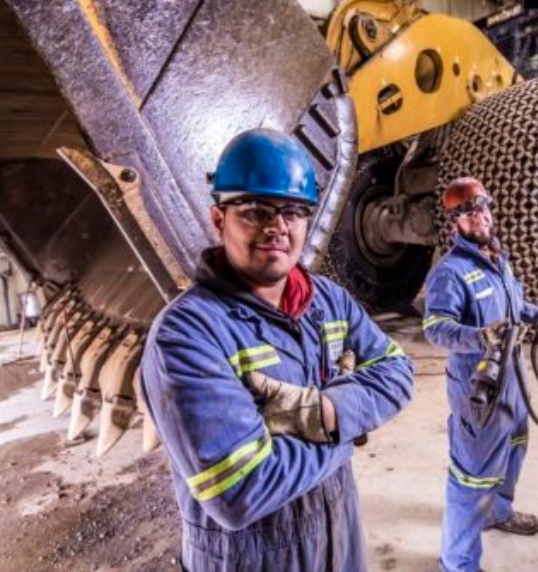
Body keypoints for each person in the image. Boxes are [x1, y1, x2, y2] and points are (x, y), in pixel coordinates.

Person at [140, 128, 414, 571]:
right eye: (255, 211)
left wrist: (325, 413)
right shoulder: (187, 334)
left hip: (340, 543)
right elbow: (241, 491)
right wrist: (346, 427)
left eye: (293, 211)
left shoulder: (330, 301)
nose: (277, 227)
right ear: (218, 218)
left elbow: (398, 371)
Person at [422, 177, 538, 572]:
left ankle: (498, 513)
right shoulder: (450, 273)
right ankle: (458, 563)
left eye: (483, 208)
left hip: (513, 382)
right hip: (479, 389)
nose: (480, 217)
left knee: (515, 447)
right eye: (469, 213)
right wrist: (480, 335)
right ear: (456, 222)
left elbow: (512, 303)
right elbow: (435, 328)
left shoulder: (497, 258)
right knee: (472, 477)